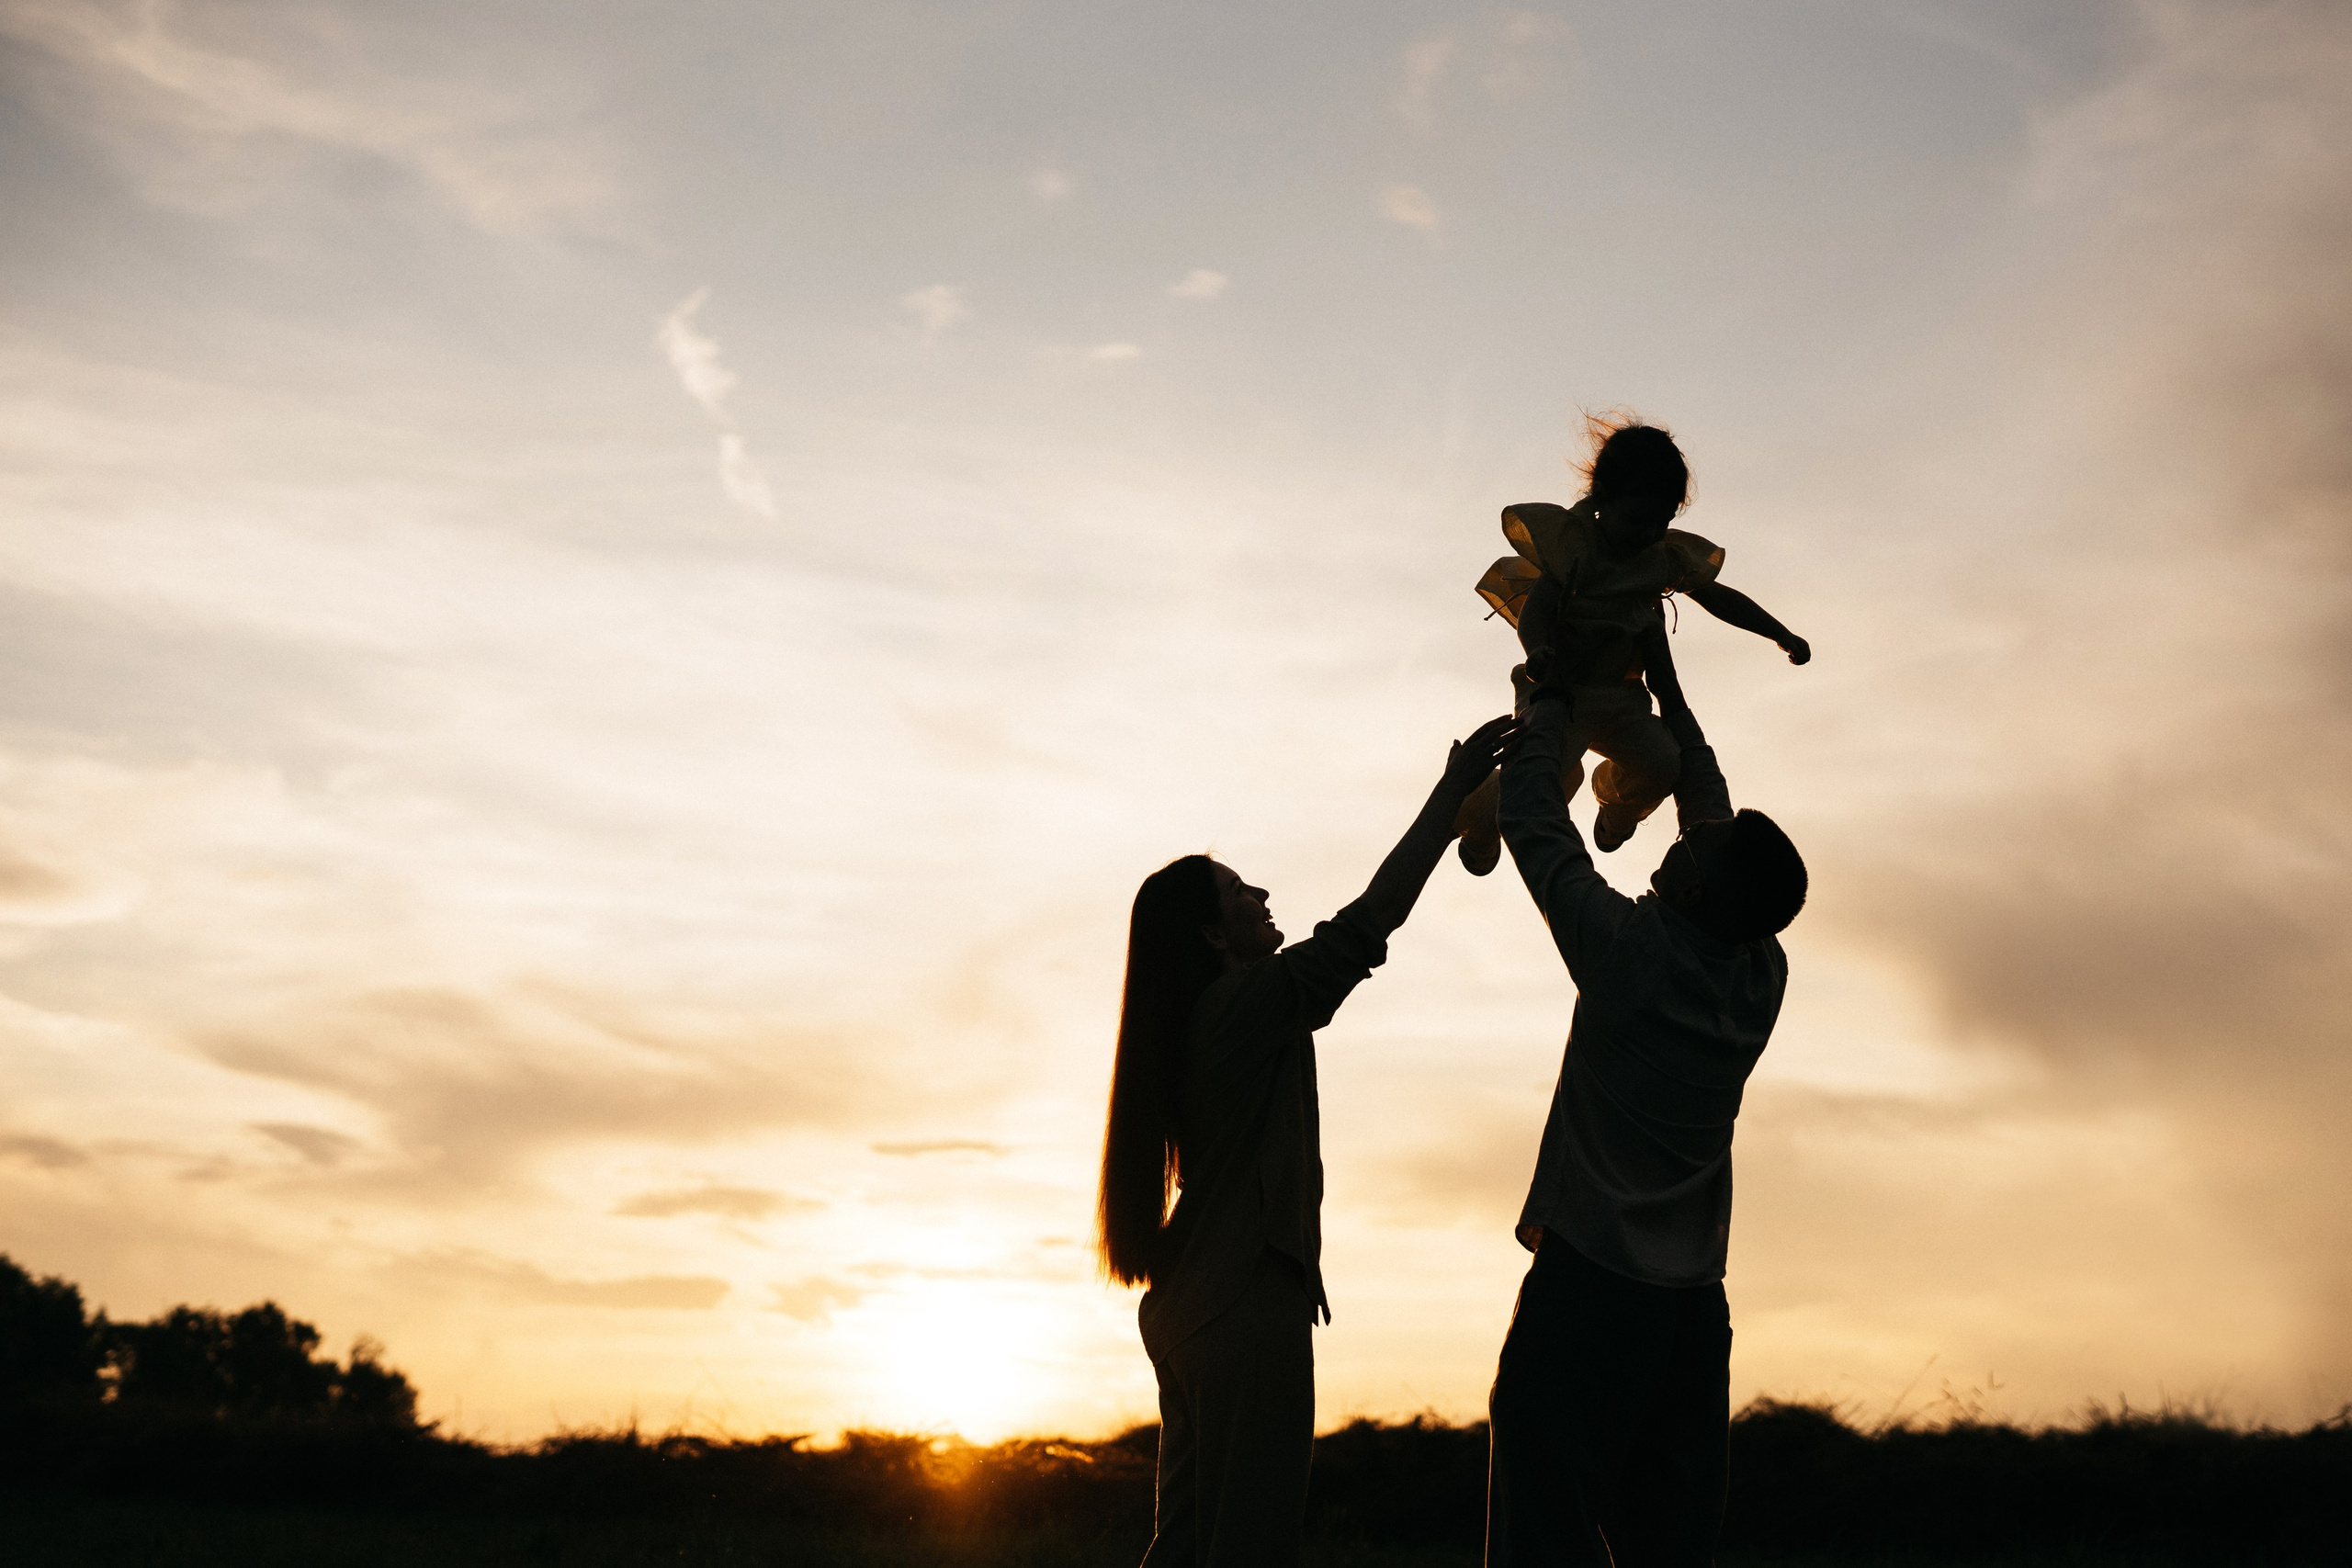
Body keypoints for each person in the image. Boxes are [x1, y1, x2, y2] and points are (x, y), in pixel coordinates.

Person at [1097, 713, 1521, 1568]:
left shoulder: (1201, 1022)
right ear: (1214, 936)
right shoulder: (1244, 1005)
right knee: (1248, 1545)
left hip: (1192, 1303)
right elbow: (1364, 930)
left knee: (1183, 1546)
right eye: (1239, 893)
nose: (1261, 897)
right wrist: (1447, 801)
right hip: (1244, 1302)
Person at [1484, 626, 1807, 1568]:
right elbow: (1708, 808)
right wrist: (1668, 691)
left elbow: (1538, 830)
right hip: (1690, 1314)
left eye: (1694, 848)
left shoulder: (1630, 957)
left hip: (1589, 1288)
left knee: (1540, 1530)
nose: (1689, 830)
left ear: (1690, 884)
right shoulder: (1759, 970)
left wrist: (1542, 708)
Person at [1455, 416, 1808, 873]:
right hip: (1557, 689)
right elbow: (1536, 610)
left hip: (1620, 698)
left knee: (1664, 764)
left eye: (1660, 522)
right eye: (1637, 519)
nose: (1647, 533)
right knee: (1544, 780)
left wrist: (1779, 633)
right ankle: (1480, 819)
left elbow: (1720, 598)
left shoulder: (1658, 558)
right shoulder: (1575, 548)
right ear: (1604, 498)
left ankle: (1617, 806)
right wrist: (1537, 650)